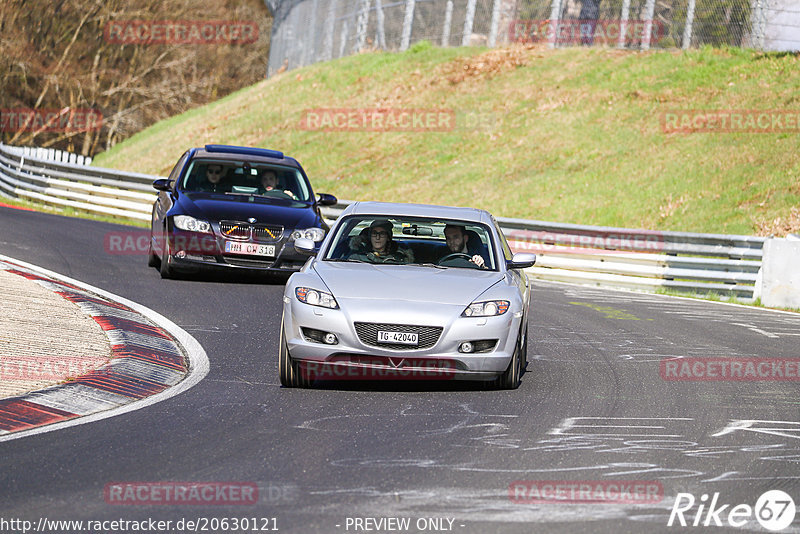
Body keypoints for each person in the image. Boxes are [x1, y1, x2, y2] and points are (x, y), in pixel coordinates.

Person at [347, 219, 414, 264]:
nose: (377, 237)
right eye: (374, 233)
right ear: (370, 236)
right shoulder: (356, 258)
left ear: (388, 237)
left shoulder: (400, 260)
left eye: (382, 234)